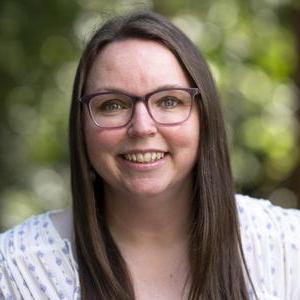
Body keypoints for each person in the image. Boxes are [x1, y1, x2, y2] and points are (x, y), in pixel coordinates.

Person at [0, 10, 299, 300]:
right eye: (113, 105)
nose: (142, 127)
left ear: (204, 117)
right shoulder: (16, 271)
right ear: (81, 126)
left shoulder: (288, 247)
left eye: (169, 101)